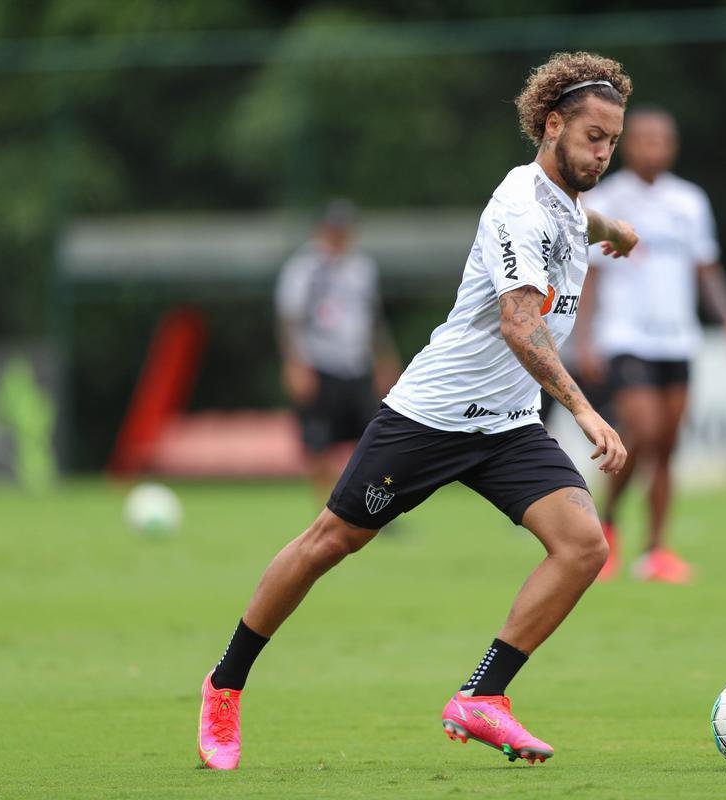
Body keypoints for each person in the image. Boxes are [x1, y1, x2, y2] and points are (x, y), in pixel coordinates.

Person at [198, 51, 642, 770]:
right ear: (552, 125)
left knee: (585, 546)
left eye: (612, 140)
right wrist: (588, 413)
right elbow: (520, 326)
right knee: (329, 544)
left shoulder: (562, 202)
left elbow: (575, 221)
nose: (604, 150)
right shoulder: (517, 205)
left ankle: (482, 698)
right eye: (594, 136)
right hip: (430, 416)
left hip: (504, 426)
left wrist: (612, 230)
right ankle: (224, 683)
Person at [575, 106, 726, 584]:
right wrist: (585, 338)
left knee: (668, 446)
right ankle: (606, 530)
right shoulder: (608, 199)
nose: (653, 147)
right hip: (626, 336)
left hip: (678, 338)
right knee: (643, 434)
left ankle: (656, 551)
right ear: (627, 145)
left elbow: (705, 268)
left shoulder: (690, 202)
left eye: (662, 139)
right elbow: (590, 274)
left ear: (672, 147)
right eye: (644, 138)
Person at [274, 199, 401, 497]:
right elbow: (290, 318)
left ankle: (372, 504)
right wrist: (295, 364)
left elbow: (373, 317)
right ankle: (329, 508)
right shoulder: (304, 267)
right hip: (320, 363)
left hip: (356, 364)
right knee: (318, 444)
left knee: (375, 438)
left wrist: (384, 360)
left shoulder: (361, 267)